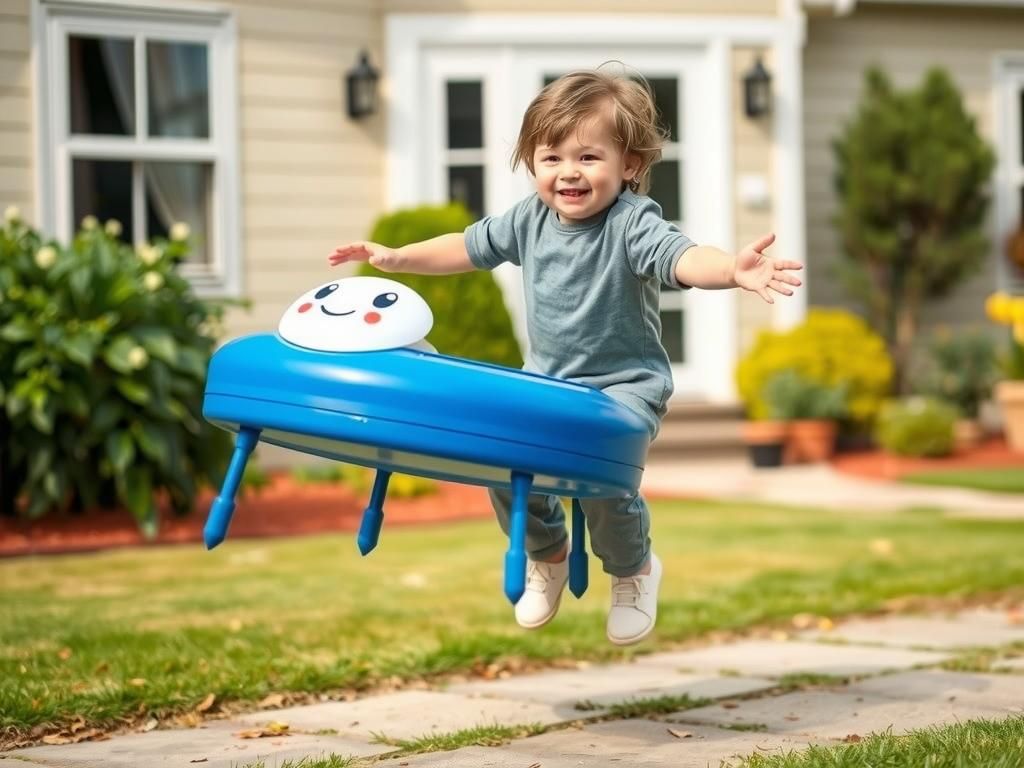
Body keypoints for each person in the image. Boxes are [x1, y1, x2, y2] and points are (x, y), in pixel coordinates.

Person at [328, 67, 802, 646]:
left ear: (628, 165)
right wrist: (398, 257)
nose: (568, 172)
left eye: (588, 157)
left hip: (623, 390)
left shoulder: (632, 223)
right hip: (549, 383)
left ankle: (633, 571)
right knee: (501, 461)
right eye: (551, 158)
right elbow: (467, 245)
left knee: (602, 479)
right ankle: (547, 552)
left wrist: (730, 269)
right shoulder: (529, 219)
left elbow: (682, 258)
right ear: (532, 162)